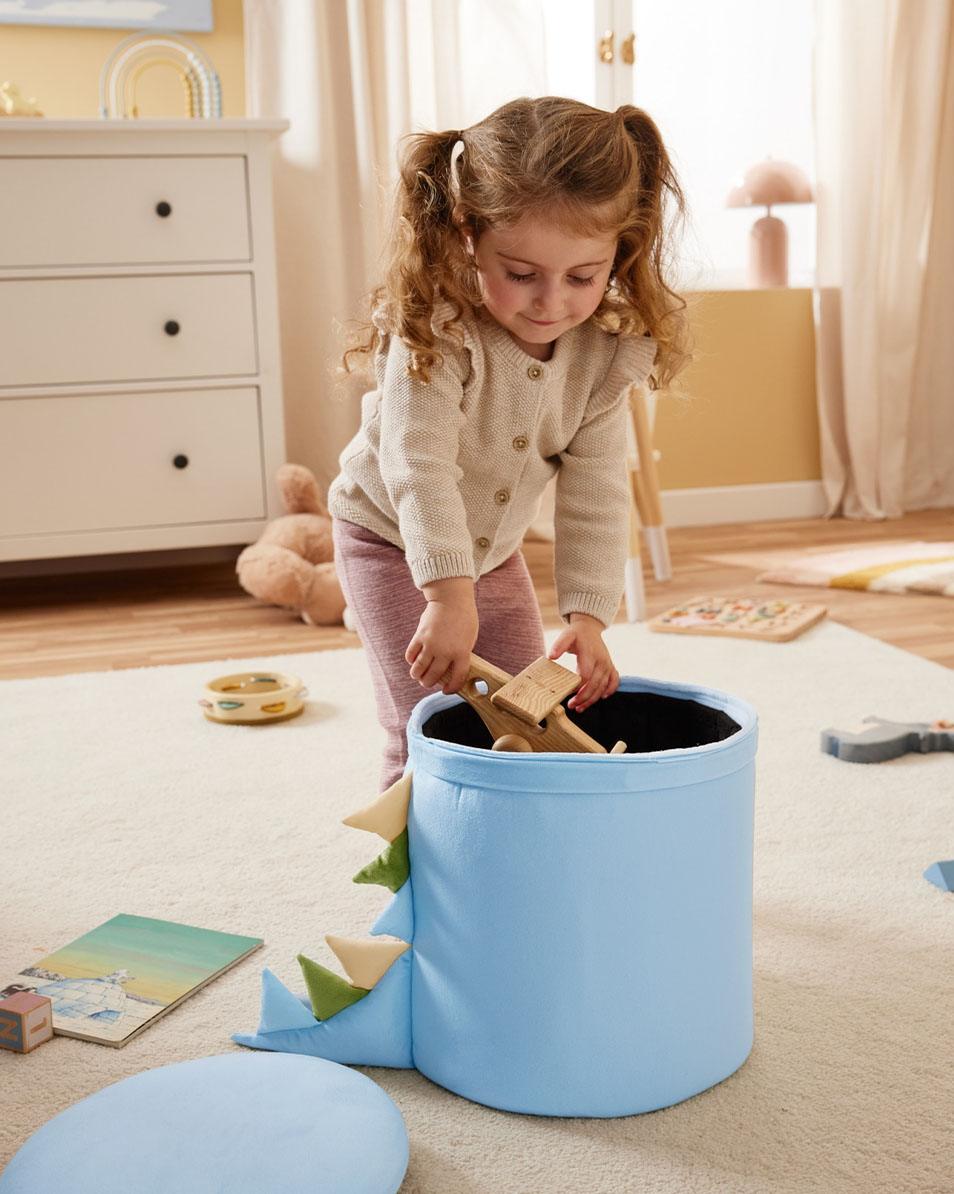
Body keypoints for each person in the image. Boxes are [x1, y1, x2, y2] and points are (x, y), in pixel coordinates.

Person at [329, 95, 689, 788]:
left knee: (527, 719)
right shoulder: (435, 330)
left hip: (492, 557)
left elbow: (597, 491)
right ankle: (419, 885)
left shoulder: (604, 356)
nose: (551, 302)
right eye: (521, 274)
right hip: (393, 544)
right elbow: (418, 464)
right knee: (431, 730)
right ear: (468, 232)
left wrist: (589, 617)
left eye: (583, 277)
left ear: (621, 251)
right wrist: (445, 597)